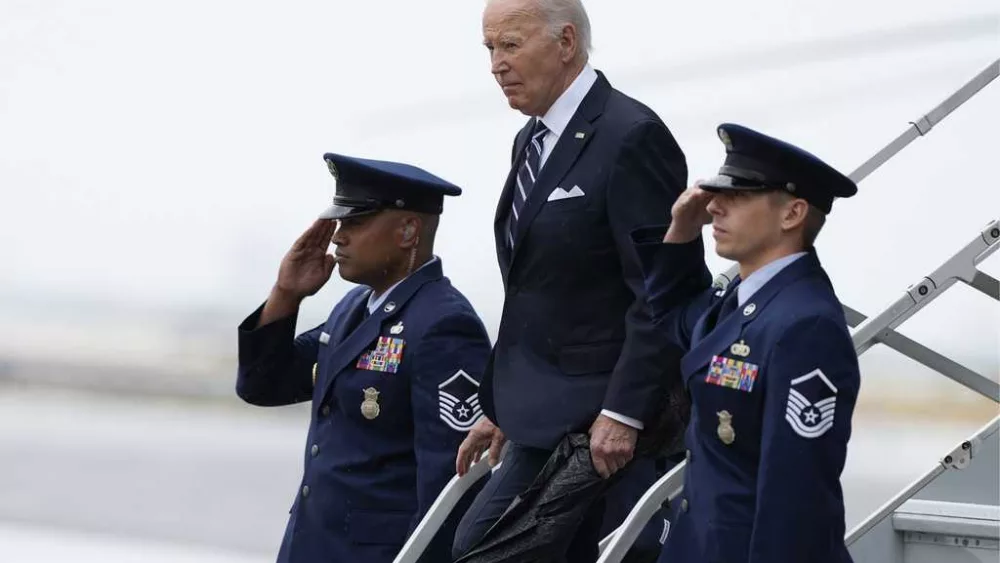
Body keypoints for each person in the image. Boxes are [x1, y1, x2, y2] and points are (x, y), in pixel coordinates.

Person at [452, 0, 692, 560]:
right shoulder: (532, 141)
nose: (495, 65)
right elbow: (540, 294)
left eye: (510, 45)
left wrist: (624, 414)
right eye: (490, 49)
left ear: (565, 43)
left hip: (603, 428)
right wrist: (501, 407)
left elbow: (660, 291)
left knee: (482, 547)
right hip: (543, 416)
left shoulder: (631, 136)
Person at [235, 152, 492, 563]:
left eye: (354, 222)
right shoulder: (355, 308)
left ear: (408, 230)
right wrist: (286, 294)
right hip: (313, 545)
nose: (338, 237)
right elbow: (264, 385)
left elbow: (451, 487)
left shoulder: (443, 324)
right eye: (339, 224)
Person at [631, 122, 861, 563]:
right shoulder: (742, 299)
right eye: (716, 194)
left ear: (791, 214)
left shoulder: (805, 324)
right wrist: (680, 231)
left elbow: (797, 497)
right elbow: (675, 322)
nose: (714, 207)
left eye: (735, 196)